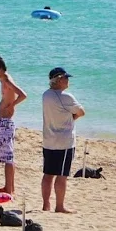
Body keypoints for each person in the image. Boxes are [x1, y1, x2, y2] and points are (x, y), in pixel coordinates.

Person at [41, 67, 84, 214]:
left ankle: (46, 204)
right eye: (66, 78)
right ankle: (59, 206)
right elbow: (81, 112)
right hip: (64, 142)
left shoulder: (45, 95)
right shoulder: (66, 97)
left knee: (48, 174)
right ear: (58, 79)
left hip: (48, 140)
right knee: (61, 176)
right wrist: (71, 119)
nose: (68, 80)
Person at [0, 52, 27, 197]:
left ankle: (9, 189)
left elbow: (23, 94)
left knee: (8, 157)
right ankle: (9, 187)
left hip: (5, 122)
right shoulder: (4, 80)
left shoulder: (6, 79)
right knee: (7, 156)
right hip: (3, 122)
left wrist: (12, 106)